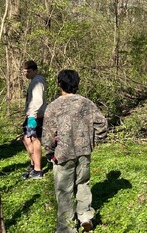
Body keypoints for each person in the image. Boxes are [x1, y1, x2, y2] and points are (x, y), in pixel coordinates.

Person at [42, 70, 108, 233]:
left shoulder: (54, 106)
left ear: (59, 84)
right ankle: (85, 218)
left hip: (63, 154)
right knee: (83, 183)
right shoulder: (87, 103)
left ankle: (67, 227)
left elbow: (47, 135)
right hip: (84, 151)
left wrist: (49, 152)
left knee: (64, 190)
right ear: (77, 84)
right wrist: (94, 141)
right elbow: (102, 124)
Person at [22, 60, 47, 179]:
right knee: (27, 139)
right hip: (31, 115)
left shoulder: (37, 81)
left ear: (35, 70)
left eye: (29, 71)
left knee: (34, 140)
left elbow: (37, 100)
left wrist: (32, 116)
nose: (26, 74)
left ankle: (37, 170)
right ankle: (33, 166)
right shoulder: (34, 81)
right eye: (25, 72)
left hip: (36, 116)